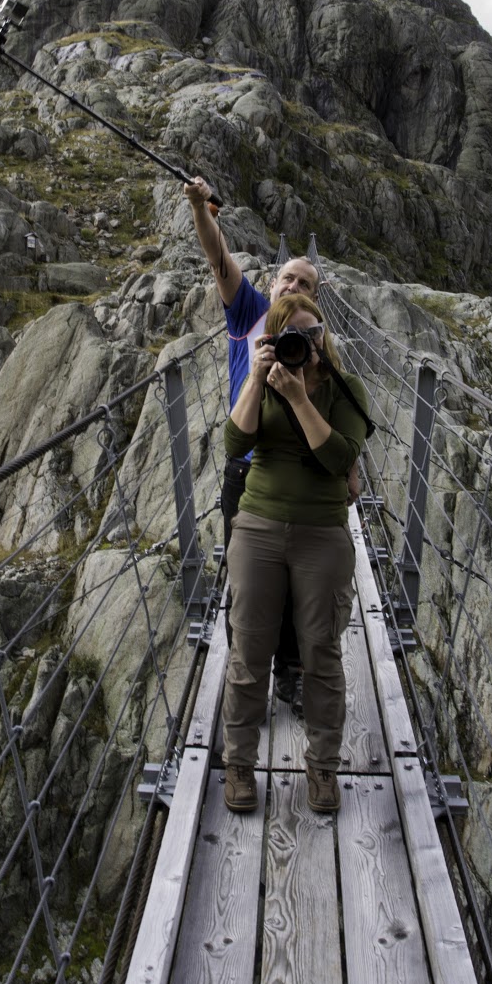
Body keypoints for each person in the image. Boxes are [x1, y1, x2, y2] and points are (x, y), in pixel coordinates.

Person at [220, 293, 370, 816]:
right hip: (259, 523)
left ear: (323, 337)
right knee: (248, 652)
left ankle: (323, 768)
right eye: (294, 336)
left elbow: (339, 458)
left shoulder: (344, 390)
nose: (304, 345)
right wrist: (257, 379)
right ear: (274, 338)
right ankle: (239, 764)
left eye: (314, 335)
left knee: (322, 655)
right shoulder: (265, 379)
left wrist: (303, 398)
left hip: (321, 531)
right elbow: (233, 443)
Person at [183, 176, 316, 715]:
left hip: (299, 470)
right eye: (287, 277)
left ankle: (289, 672)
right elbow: (218, 261)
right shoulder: (248, 311)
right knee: (247, 580)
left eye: (304, 282)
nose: (292, 286)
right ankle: (250, 678)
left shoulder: (317, 337)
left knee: (294, 581)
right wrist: (201, 210)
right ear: (273, 280)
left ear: (314, 296)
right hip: (246, 465)